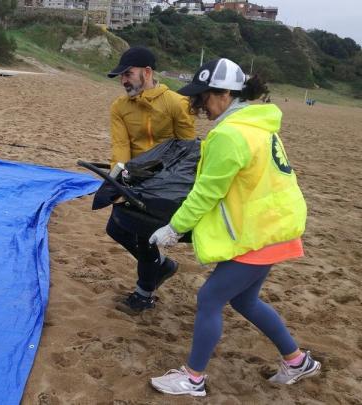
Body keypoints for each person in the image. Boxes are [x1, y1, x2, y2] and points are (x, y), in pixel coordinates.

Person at [148, 58, 320, 397]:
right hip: (275, 228)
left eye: (204, 97)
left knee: (209, 297)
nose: (199, 105)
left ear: (225, 94)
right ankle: (297, 361)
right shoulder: (258, 126)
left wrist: (173, 228)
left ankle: (192, 379)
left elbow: (206, 193)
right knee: (244, 301)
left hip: (259, 233)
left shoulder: (230, 134)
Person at [105, 46, 196, 315]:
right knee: (116, 228)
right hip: (134, 181)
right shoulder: (119, 107)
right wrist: (116, 183)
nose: (124, 81)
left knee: (144, 238)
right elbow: (120, 147)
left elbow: (188, 151)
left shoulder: (177, 104)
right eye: (121, 76)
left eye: (128, 74)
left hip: (165, 186)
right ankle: (163, 265)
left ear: (147, 72)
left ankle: (144, 294)